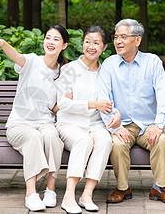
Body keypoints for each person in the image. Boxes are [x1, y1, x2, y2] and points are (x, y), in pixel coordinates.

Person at [97, 19, 165, 205]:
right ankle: (122, 188)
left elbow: (164, 97)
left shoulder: (152, 62)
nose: (118, 41)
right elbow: (104, 100)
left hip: (146, 126)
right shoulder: (109, 65)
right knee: (118, 145)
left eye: (123, 37)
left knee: (160, 141)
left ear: (137, 40)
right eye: (116, 37)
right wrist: (114, 127)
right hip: (122, 124)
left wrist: (158, 125)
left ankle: (159, 188)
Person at [0, 25, 69, 212]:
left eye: (56, 39)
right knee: (33, 137)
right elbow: (16, 56)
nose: (50, 42)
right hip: (19, 124)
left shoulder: (63, 73)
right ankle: (30, 194)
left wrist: (67, 101)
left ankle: (50, 190)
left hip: (45, 122)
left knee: (52, 137)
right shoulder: (32, 61)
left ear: (64, 45)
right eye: (48, 38)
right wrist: (3, 44)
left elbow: (54, 107)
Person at [55, 26, 121, 214]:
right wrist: (92, 104)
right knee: (83, 141)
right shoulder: (69, 69)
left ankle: (87, 194)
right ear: (82, 43)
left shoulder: (105, 73)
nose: (91, 46)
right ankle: (69, 196)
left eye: (96, 43)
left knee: (105, 140)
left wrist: (116, 113)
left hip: (95, 124)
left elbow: (110, 101)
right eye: (87, 42)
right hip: (69, 124)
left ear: (104, 47)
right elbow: (63, 104)